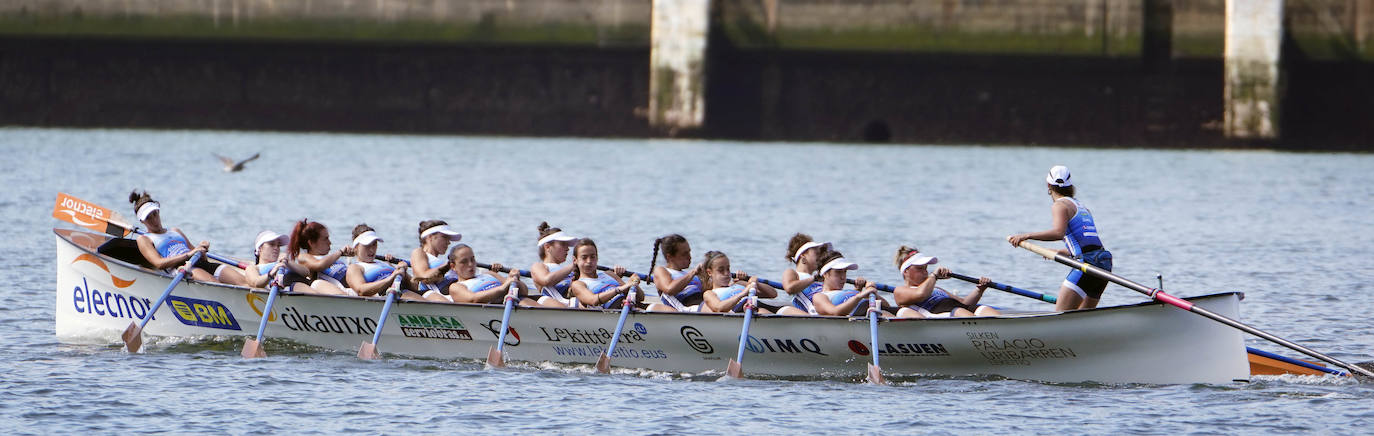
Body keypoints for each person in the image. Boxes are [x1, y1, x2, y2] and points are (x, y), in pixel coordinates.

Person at [1008, 165, 1114, 311]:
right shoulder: (1082, 207)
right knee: (1084, 317)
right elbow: (1089, 246)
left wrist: (1026, 235)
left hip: (1086, 264)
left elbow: (1059, 232)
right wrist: (1058, 252)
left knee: (1061, 315)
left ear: (1048, 185)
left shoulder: (1060, 205)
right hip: (1103, 262)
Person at [127, 190, 245, 285]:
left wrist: (202, 249)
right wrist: (188, 255)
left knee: (244, 283)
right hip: (182, 268)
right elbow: (159, 263)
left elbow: (200, 256)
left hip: (199, 263)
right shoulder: (144, 239)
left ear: (158, 212)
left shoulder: (175, 231)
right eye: (148, 218)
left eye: (155, 214)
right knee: (216, 285)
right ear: (141, 221)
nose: (154, 220)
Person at [890, 246, 1001, 318]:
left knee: (984, 309)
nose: (925, 272)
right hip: (941, 313)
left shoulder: (936, 288)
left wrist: (979, 289)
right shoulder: (900, 291)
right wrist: (934, 276)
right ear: (906, 271)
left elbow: (965, 303)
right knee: (960, 311)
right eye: (920, 268)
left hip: (957, 309)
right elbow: (921, 294)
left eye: (926, 268)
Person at [568, 239, 676, 312]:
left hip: (632, 306)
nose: (589, 261)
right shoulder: (578, 284)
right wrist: (620, 289)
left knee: (671, 311)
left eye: (592, 257)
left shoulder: (609, 274)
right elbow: (593, 300)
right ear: (575, 260)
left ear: (597, 258)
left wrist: (634, 282)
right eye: (584, 257)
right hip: (614, 313)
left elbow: (640, 297)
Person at [344, 224, 427, 300]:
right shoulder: (355, 267)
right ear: (356, 247)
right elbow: (361, 290)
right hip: (388, 294)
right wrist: (391, 278)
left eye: (374, 244)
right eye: (367, 245)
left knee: (430, 294)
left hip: (404, 291)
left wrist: (404, 273)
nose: (372, 249)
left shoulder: (385, 263)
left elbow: (415, 287)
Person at [444, 244, 539, 306]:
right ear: (453, 266)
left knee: (533, 300)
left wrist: (515, 279)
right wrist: (503, 288)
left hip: (516, 303)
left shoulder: (489, 274)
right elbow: (473, 299)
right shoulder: (456, 286)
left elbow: (524, 291)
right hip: (498, 309)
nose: (470, 264)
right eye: (464, 262)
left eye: (472, 259)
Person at [810, 250, 895, 317]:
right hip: (864, 316)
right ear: (825, 274)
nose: (843, 277)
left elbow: (887, 307)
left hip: (876, 313)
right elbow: (834, 312)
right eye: (838, 272)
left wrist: (874, 293)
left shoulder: (851, 292)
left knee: (900, 311)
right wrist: (859, 296)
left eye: (845, 272)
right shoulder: (819, 296)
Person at [284, 219, 352, 295]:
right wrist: (340, 252)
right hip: (341, 290)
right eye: (325, 239)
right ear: (311, 243)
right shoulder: (303, 257)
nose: (330, 243)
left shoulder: (331, 258)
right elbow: (319, 265)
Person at [697, 251, 778, 313]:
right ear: (709, 272)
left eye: (728, 269)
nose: (726, 273)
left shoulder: (739, 284)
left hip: (756, 306)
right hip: (743, 310)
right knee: (761, 311)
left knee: (783, 309)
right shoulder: (709, 293)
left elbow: (773, 294)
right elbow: (719, 308)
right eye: (721, 270)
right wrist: (744, 293)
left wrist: (757, 283)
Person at [529, 222, 581, 308]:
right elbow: (546, 280)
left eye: (567, 245)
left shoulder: (565, 270)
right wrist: (572, 266)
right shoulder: (538, 266)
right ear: (547, 247)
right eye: (563, 244)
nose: (568, 249)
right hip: (556, 302)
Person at [649, 234, 706, 311]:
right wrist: (693, 272)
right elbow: (669, 289)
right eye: (684, 254)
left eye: (689, 252)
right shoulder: (661, 270)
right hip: (685, 309)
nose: (690, 257)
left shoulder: (688, 276)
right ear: (670, 257)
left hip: (701, 305)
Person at [408, 219, 462, 300]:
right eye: (445, 237)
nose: (448, 242)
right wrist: (447, 266)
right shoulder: (418, 252)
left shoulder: (440, 261)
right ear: (430, 237)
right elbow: (422, 276)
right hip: (442, 297)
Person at [776, 233, 828, 316]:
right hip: (807, 314)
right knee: (785, 309)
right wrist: (814, 279)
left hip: (823, 312)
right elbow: (789, 288)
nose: (821, 258)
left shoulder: (821, 278)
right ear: (803, 256)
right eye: (817, 254)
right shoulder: (792, 273)